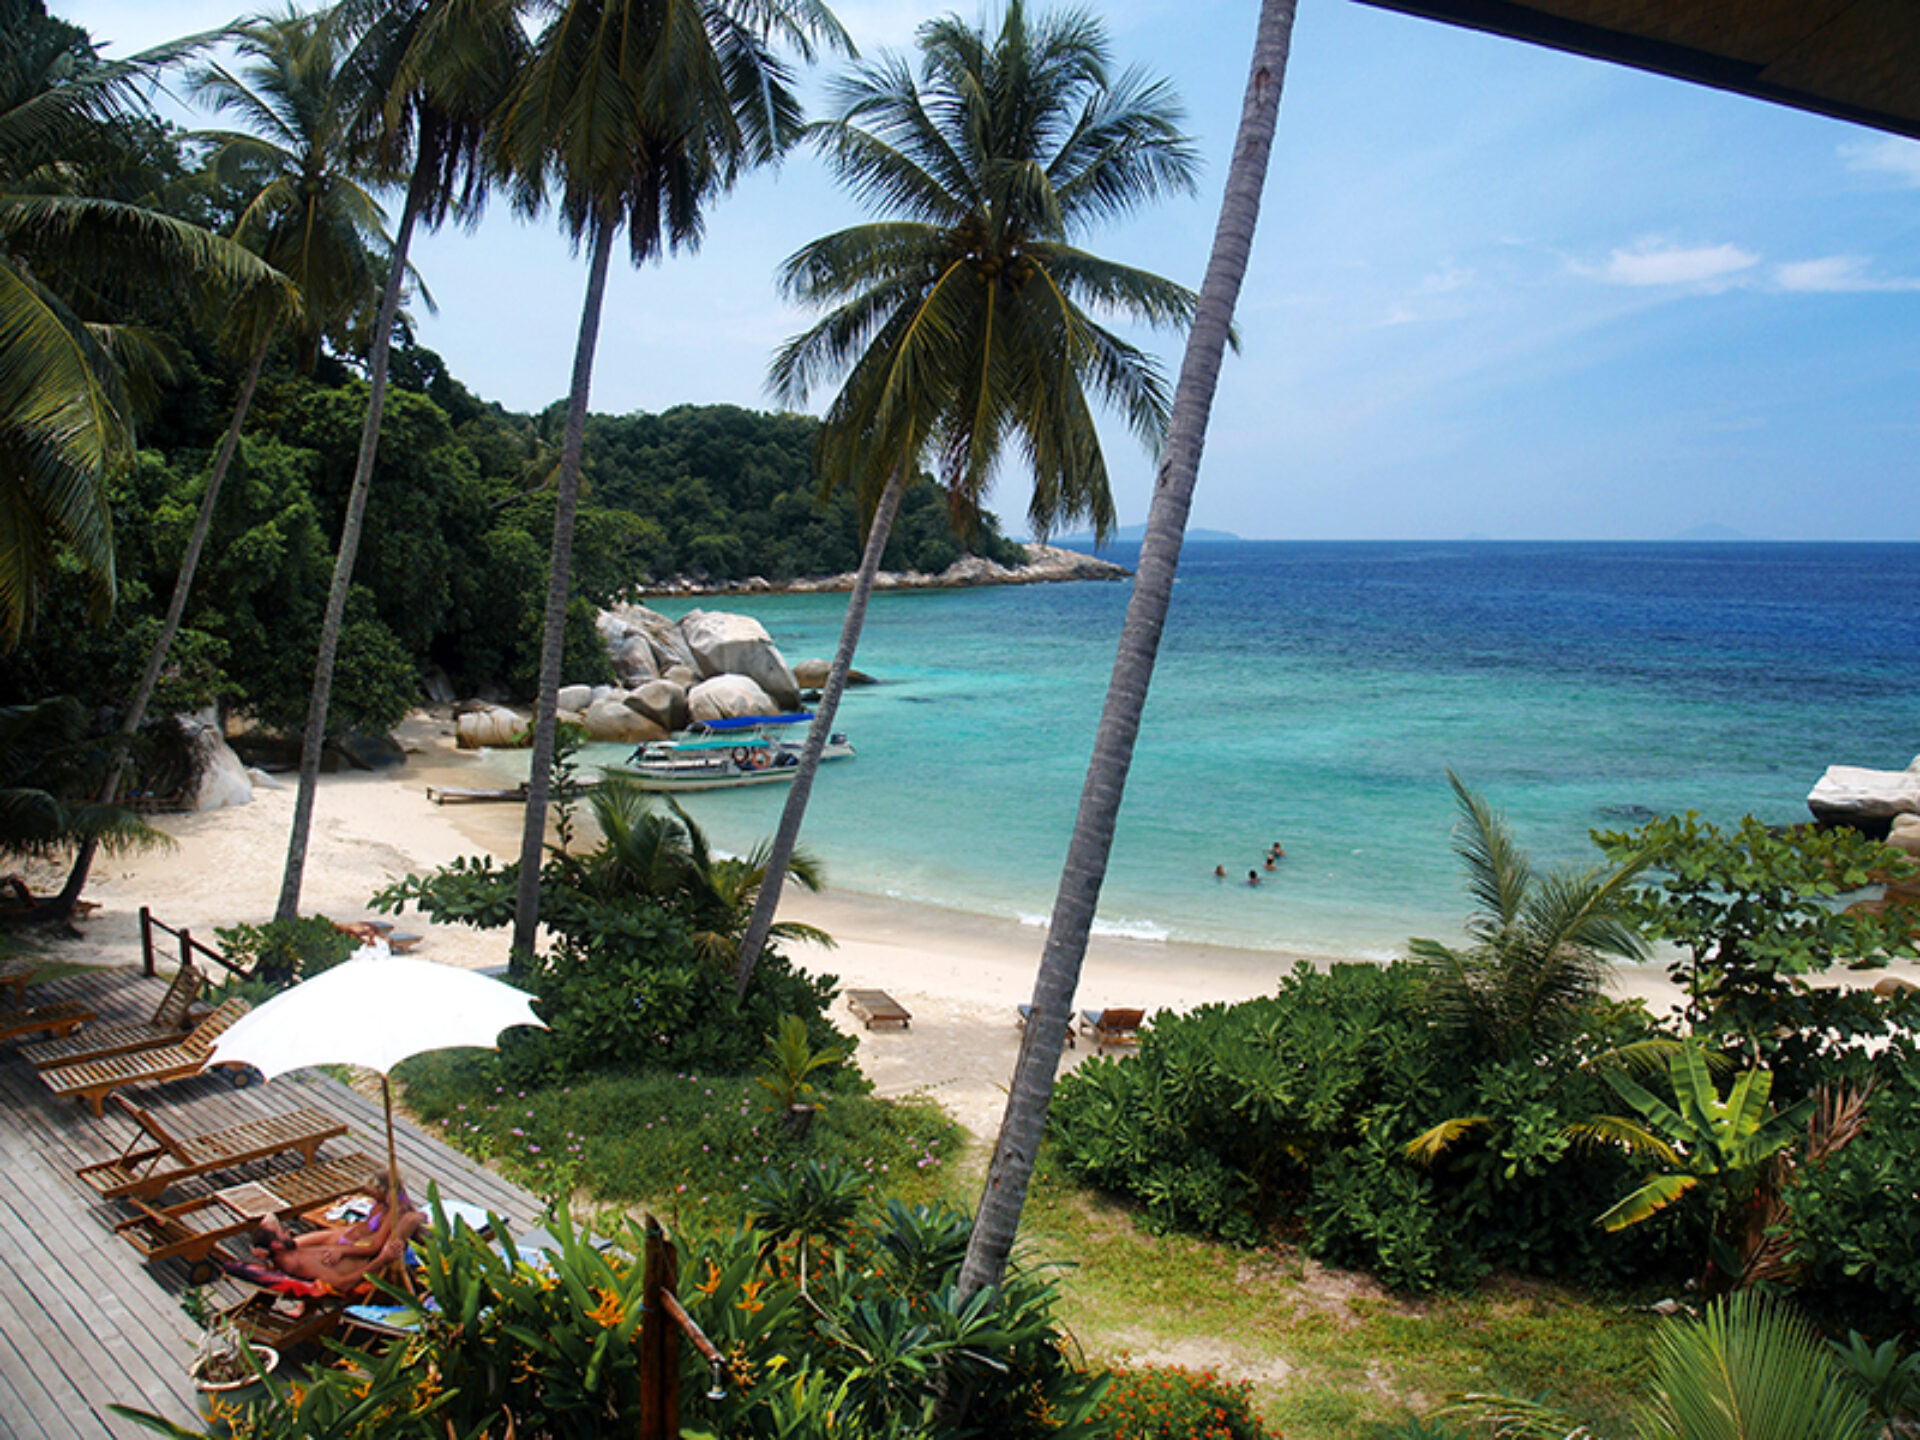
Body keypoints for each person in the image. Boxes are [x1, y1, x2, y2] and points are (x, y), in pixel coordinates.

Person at [247, 1171, 425, 1291]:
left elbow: (270, 1218)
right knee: (412, 1219)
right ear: (276, 1245)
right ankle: (435, 1247)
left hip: (359, 1250)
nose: (289, 1231)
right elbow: (342, 1284)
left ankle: (428, 1236)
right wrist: (382, 1259)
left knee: (409, 1216)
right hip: (372, 1261)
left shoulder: (290, 1252)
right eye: (282, 1232)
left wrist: (261, 1245)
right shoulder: (298, 1262)